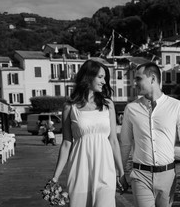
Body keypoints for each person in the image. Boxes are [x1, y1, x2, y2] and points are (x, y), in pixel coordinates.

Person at [52, 59, 126, 207]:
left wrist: (122, 173)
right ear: (88, 77)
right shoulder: (70, 107)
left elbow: (113, 140)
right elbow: (66, 144)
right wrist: (55, 177)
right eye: (100, 77)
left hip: (106, 170)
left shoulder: (108, 105)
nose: (104, 81)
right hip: (80, 169)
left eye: (104, 77)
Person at [120, 62, 180, 207]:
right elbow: (125, 143)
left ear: (152, 79)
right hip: (140, 175)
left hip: (168, 176)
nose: (135, 83)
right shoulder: (131, 108)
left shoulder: (177, 106)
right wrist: (121, 172)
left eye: (139, 79)